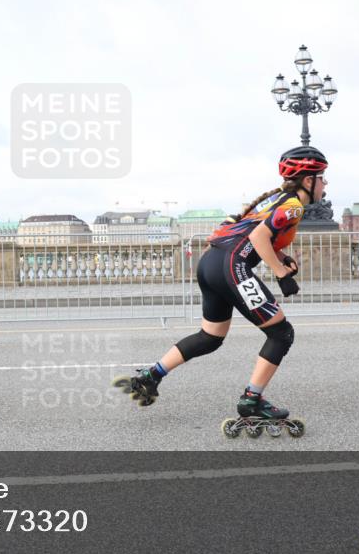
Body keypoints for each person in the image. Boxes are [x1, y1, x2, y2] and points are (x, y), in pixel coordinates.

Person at [112, 145, 330, 438]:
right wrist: (281, 274)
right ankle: (251, 400)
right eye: (322, 177)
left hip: (212, 263)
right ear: (308, 180)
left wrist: (280, 259)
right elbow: (257, 236)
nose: (325, 184)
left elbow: (244, 232)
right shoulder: (293, 205)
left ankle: (152, 375)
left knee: (210, 337)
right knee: (281, 333)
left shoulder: (277, 200)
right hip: (231, 266)